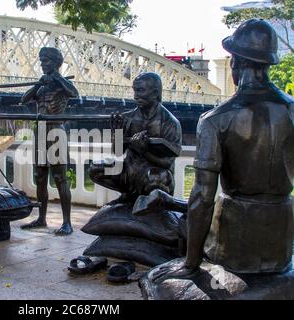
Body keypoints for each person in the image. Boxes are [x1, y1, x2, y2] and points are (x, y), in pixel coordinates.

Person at [149, 19, 294, 283]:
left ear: (234, 63)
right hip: (280, 243)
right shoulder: (292, 110)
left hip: (233, 245)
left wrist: (191, 264)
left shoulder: (215, 119)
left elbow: (203, 197)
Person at [89, 72, 182, 202]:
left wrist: (143, 152)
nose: (136, 96)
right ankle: (127, 195)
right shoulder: (129, 117)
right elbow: (117, 152)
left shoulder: (170, 122)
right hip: (129, 172)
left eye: (140, 90)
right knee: (95, 168)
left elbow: (167, 163)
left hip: (152, 177)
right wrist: (117, 134)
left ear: (155, 93)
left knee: (159, 177)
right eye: (135, 91)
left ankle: (151, 202)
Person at [20, 47, 79, 235]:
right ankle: (41, 218)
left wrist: (56, 78)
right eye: (41, 61)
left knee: (60, 178)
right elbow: (24, 99)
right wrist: (39, 84)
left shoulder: (61, 84)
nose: (42, 64)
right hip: (40, 131)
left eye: (46, 61)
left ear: (55, 63)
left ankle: (67, 222)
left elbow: (74, 93)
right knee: (40, 177)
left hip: (56, 130)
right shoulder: (42, 86)